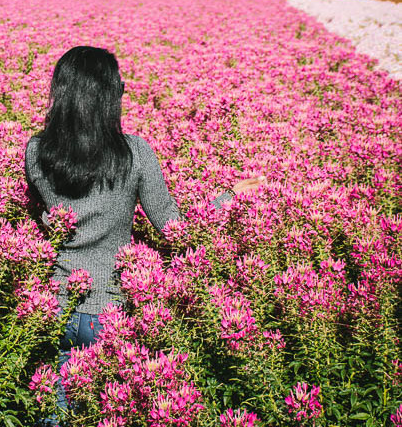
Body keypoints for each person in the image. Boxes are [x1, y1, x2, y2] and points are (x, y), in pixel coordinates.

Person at [24, 46, 265, 423]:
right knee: (113, 410)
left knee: (54, 414)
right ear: (107, 96)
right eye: (119, 86)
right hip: (110, 312)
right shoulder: (134, 152)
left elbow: (44, 221)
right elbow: (176, 229)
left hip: (52, 306)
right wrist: (229, 197)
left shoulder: (36, 152)